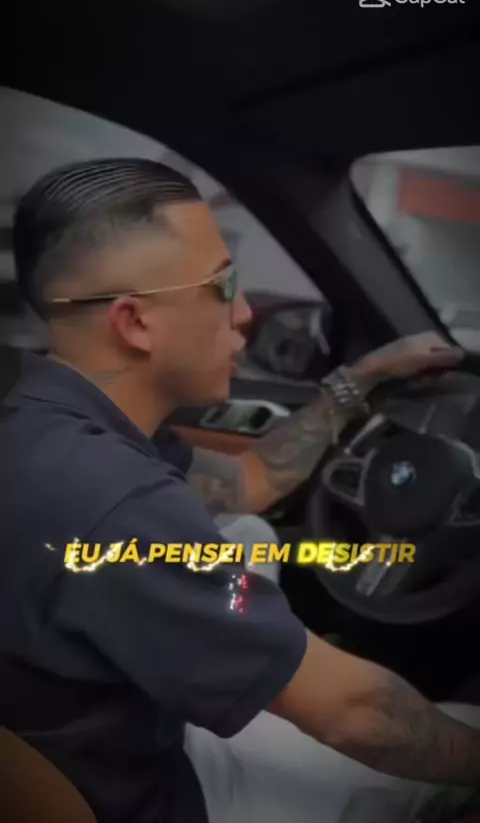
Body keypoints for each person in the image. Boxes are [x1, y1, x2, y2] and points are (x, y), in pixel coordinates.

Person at [0, 157, 479, 823]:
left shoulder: (44, 419)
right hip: (161, 797)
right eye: (224, 285)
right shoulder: (120, 504)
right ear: (135, 322)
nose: (247, 312)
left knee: (246, 532)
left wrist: (361, 378)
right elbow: (360, 714)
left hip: (115, 730)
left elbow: (247, 484)